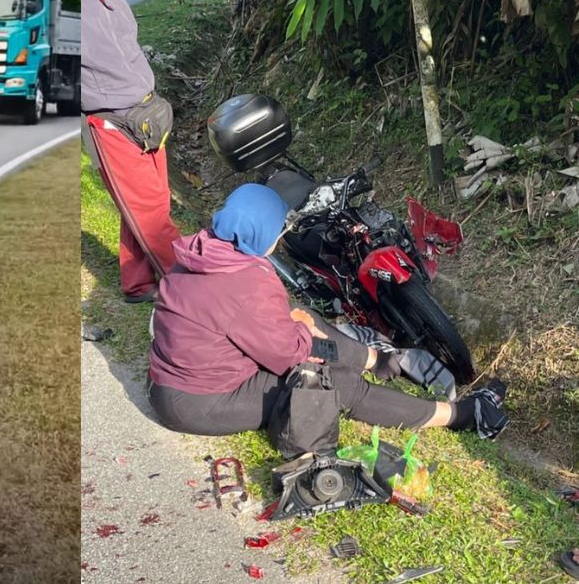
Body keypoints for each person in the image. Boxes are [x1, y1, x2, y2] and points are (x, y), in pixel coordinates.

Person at [147, 182, 509, 439]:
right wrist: (306, 334)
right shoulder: (245, 284)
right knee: (336, 383)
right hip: (198, 401)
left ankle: (378, 360)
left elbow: (260, 325)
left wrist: (304, 328)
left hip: (177, 378)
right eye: (279, 229)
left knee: (302, 319)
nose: (280, 237)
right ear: (262, 235)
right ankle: (458, 415)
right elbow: (287, 353)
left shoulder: (207, 249)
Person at [81, 0, 181, 304]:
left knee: (147, 202)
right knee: (150, 209)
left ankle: (138, 282)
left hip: (145, 114)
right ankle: (188, 288)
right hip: (113, 121)